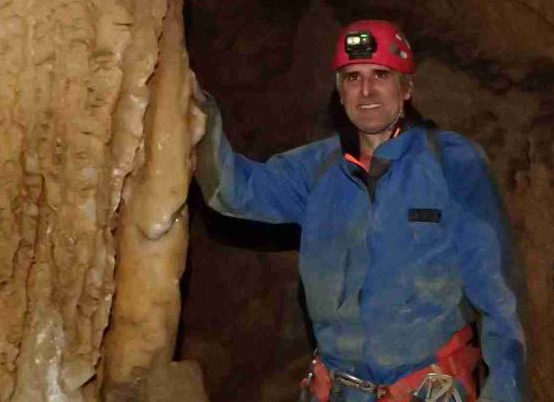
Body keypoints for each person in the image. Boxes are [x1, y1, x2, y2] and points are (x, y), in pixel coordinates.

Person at [193, 20, 525, 402]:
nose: (366, 91)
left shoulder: (452, 163)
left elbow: (499, 295)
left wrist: (506, 392)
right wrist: (199, 115)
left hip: (425, 391)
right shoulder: (315, 169)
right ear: (340, 92)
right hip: (338, 390)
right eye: (352, 78)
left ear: (406, 88)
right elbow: (233, 192)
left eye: (380, 75)